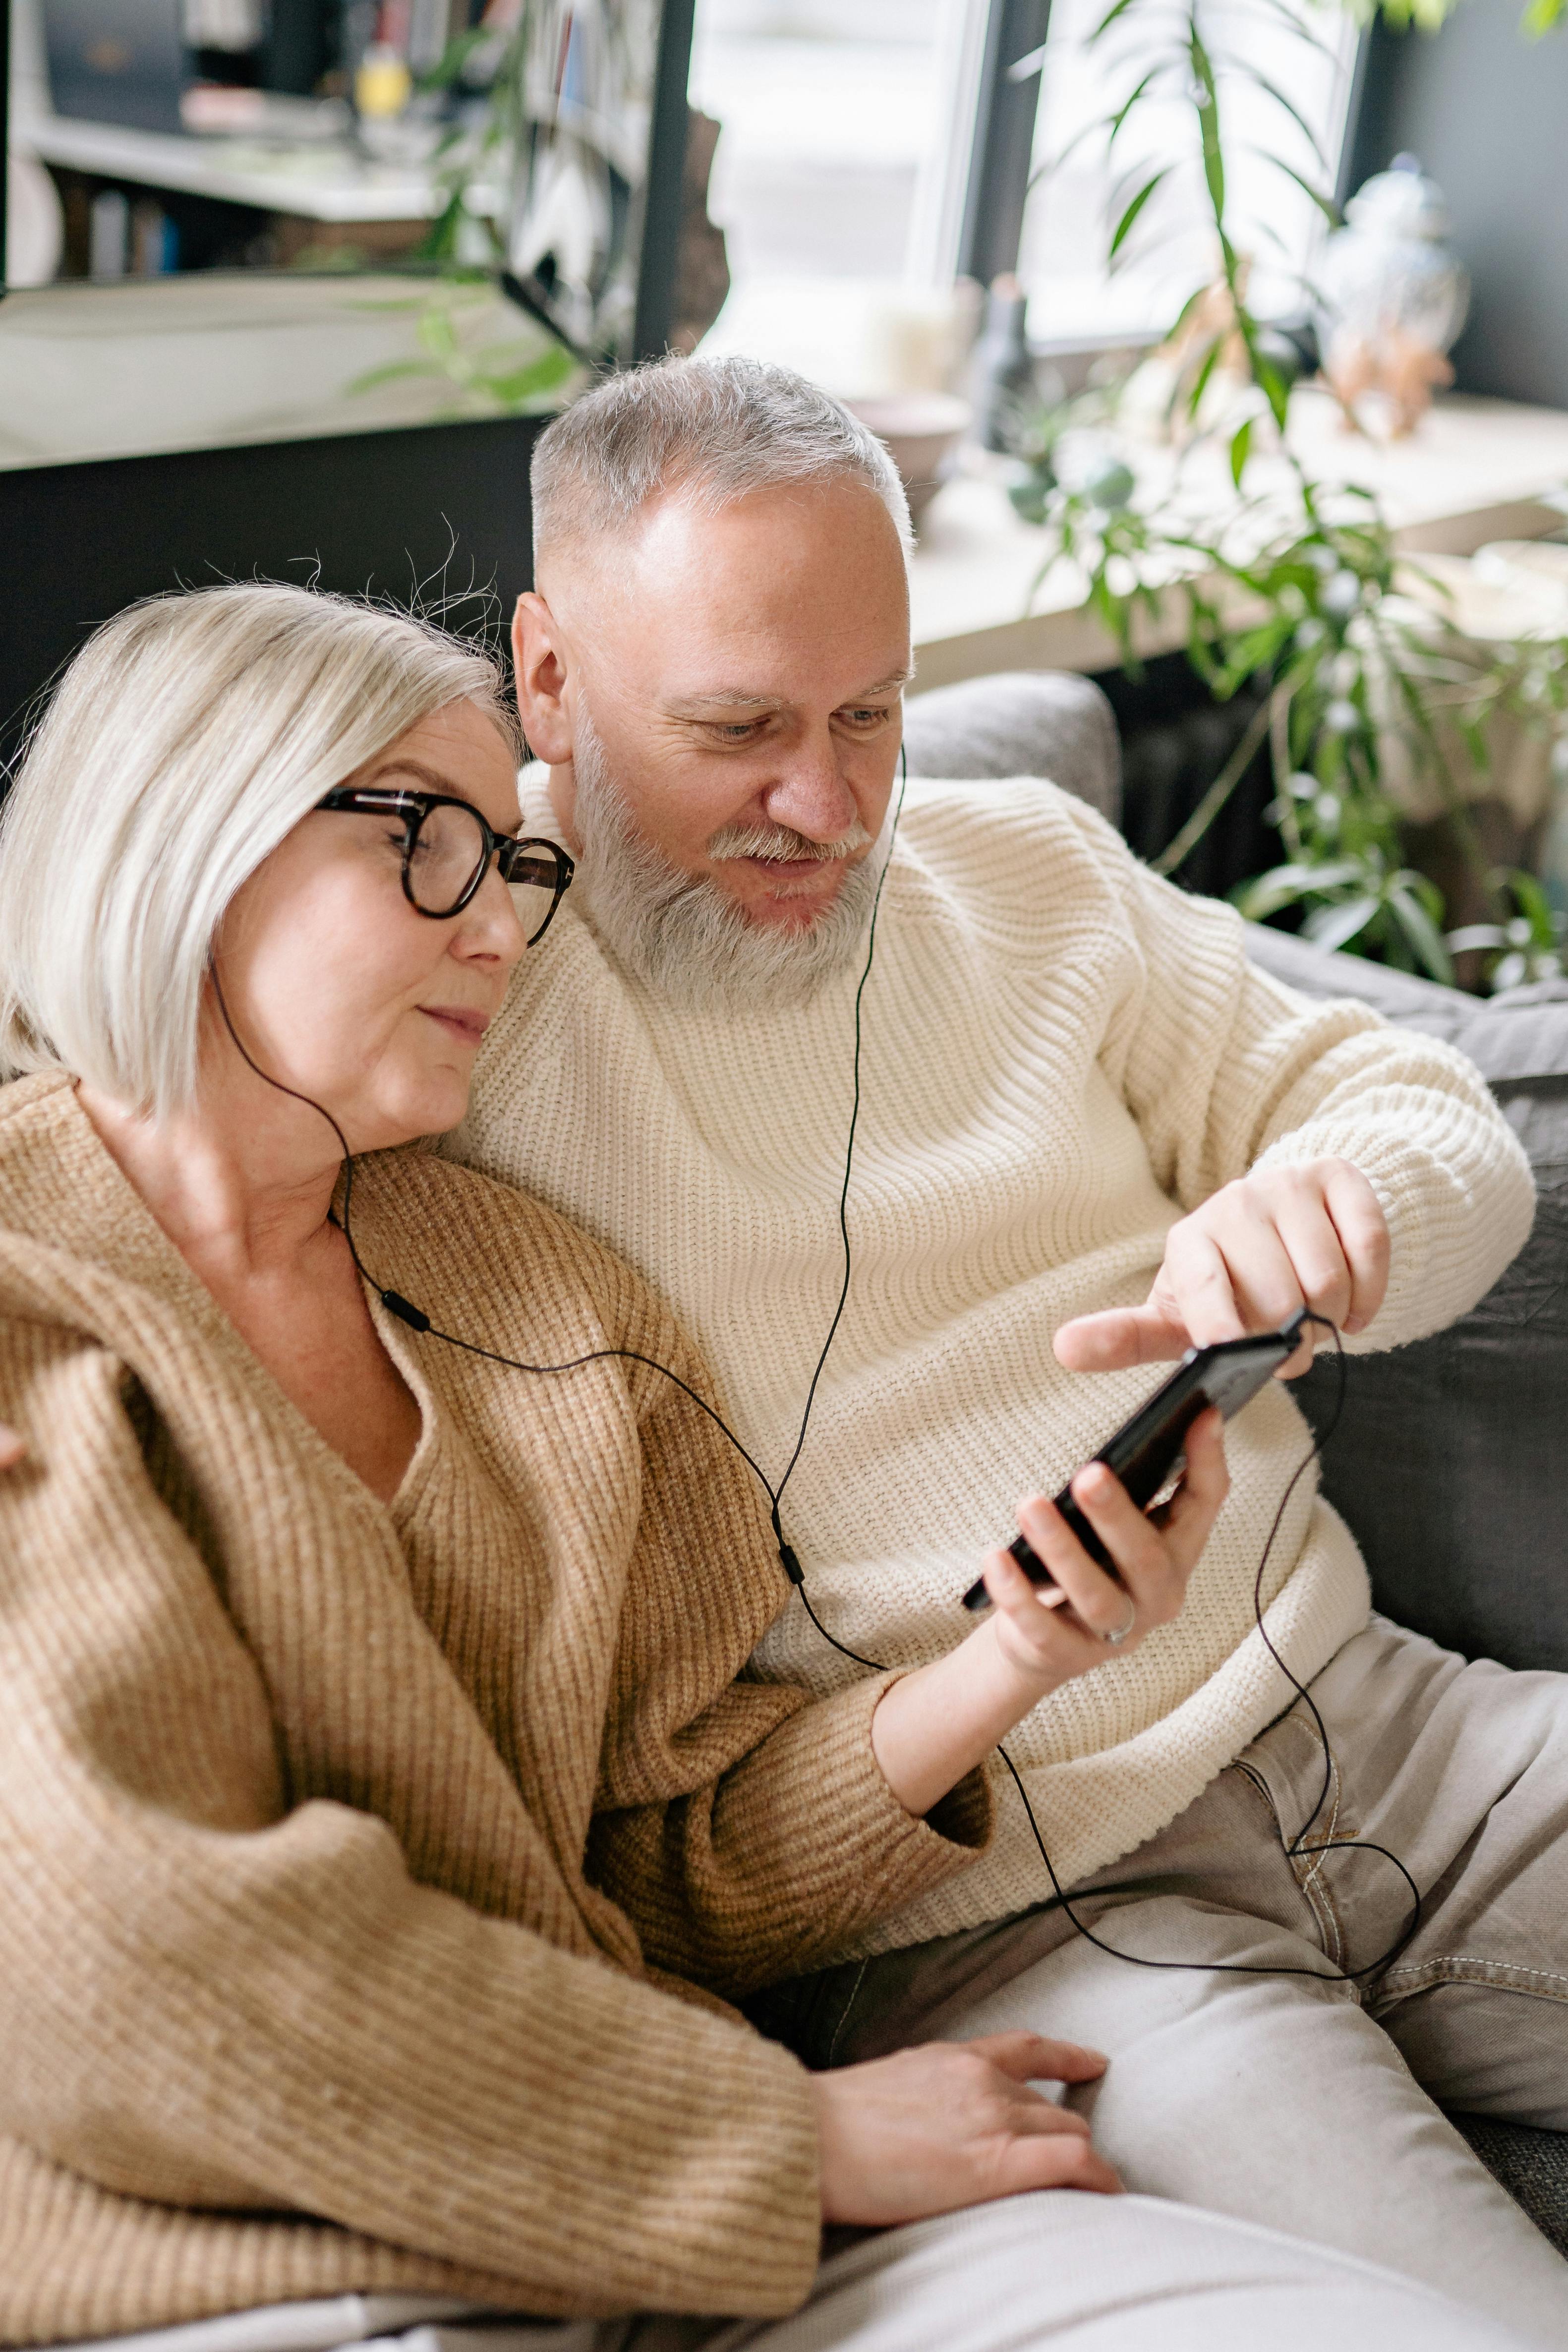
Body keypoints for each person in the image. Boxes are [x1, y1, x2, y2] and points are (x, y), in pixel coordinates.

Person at [1, 581, 1495, 2352]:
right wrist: (782, 2131)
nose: (496, 928)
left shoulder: (545, 1310)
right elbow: (126, 1953)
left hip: (684, 2199)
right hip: (286, 2260)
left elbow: (659, 1872)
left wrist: (1011, 1658)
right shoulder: (35, 1294)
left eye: (512, 864)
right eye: (429, 847)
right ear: (190, 829)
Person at [416, 355, 1568, 2346]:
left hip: (1378, 1721)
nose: (830, 802)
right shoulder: (440, 1019)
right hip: (1007, 1916)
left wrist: (1336, 1210)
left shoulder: (1019, 872)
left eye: (867, 712)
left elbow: (1422, 1113)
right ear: (541, 680)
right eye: (737, 730)